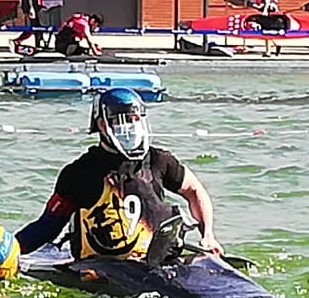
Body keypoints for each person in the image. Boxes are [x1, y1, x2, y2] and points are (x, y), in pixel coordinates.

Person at [15, 89, 222, 263]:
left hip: (157, 260)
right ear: (102, 125)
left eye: (135, 119)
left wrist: (208, 235)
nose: (131, 127)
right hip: (101, 266)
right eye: (122, 121)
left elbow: (194, 190)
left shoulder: (159, 160)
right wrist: (12, 249)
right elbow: (48, 225)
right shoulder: (79, 173)